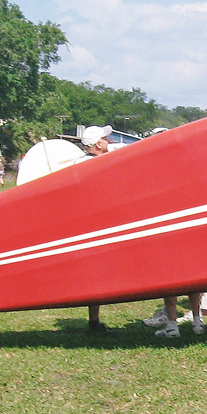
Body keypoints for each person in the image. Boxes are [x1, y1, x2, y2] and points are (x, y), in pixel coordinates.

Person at [78, 125, 113, 332]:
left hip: (89, 225)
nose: (108, 142)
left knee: (96, 274)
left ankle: (94, 321)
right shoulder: (99, 165)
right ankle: (94, 322)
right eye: (105, 139)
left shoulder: (78, 163)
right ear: (98, 144)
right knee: (96, 274)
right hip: (95, 227)